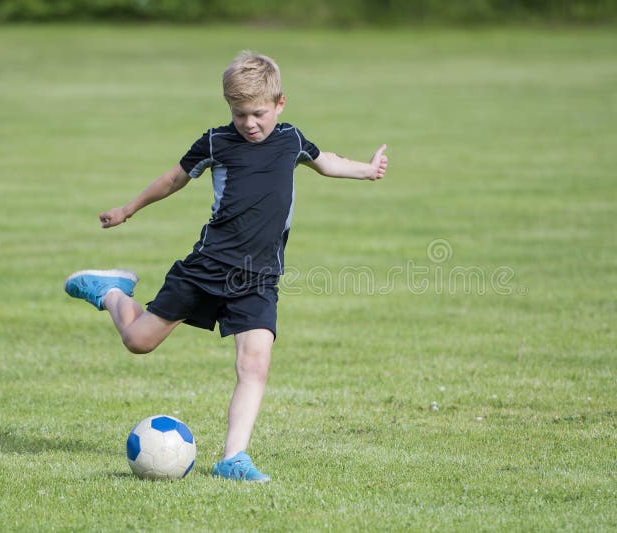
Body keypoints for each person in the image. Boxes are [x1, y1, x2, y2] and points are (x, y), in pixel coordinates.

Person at [64, 51, 388, 482]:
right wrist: (129, 208)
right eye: (240, 115)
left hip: (259, 277)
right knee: (139, 342)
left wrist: (367, 170)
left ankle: (234, 457)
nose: (250, 123)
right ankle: (111, 292)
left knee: (255, 363)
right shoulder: (217, 142)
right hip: (207, 267)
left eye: (258, 113)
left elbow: (325, 160)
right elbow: (173, 178)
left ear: (279, 104)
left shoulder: (291, 140)